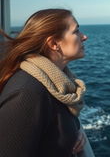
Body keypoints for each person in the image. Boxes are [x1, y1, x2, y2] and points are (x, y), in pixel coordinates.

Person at [0, 8, 89, 157]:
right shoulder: (27, 93)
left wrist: (75, 130)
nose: (84, 36)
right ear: (54, 43)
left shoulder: (57, 82)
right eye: (76, 31)